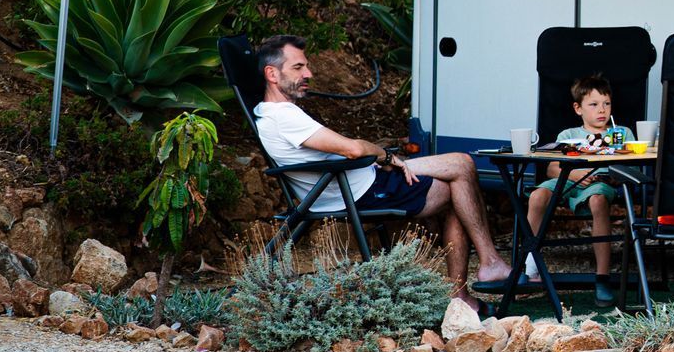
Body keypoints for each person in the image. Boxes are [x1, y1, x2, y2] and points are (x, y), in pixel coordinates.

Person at [253, 34, 511, 303]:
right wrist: (384, 155)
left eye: (306, 66)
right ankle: (474, 280)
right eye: (298, 67)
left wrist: (381, 158)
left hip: (361, 176)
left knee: (462, 164)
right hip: (358, 189)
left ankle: (480, 273)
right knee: (457, 187)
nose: (308, 73)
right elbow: (352, 149)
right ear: (272, 74)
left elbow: (349, 150)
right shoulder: (283, 116)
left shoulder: (270, 113)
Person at [525, 75, 624, 305]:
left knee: (598, 200)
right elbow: (551, 169)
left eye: (606, 104)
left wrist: (611, 174)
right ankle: (529, 265)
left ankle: (602, 277)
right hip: (568, 180)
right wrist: (575, 174)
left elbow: (628, 168)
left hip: (599, 184)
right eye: (594, 104)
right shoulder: (568, 135)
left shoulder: (620, 133)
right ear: (578, 108)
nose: (602, 110)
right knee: (538, 195)